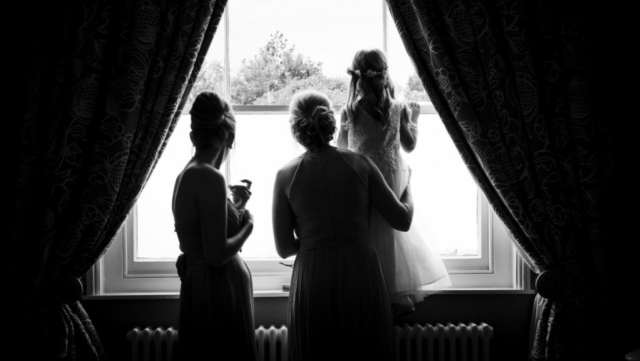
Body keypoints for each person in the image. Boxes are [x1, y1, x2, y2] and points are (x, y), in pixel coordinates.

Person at [272, 90, 414, 361]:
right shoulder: (360, 164)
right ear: (330, 121)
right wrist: (407, 186)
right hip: (360, 270)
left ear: (295, 128)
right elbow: (403, 220)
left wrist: (317, 240)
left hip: (313, 275)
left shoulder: (285, 175)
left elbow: (284, 248)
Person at [337, 48, 451, 318]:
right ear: (384, 74)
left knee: (367, 232)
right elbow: (409, 146)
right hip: (391, 176)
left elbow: (342, 149)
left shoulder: (349, 111)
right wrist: (415, 121)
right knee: (392, 234)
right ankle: (393, 293)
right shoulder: (398, 108)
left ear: (357, 77)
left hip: (362, 178)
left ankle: (370, 291)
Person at [172, 91, 257, 361]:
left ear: (194, 134)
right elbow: (216, 254)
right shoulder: (209, 176)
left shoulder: (187, 174)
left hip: (206, 286)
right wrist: (249, 226)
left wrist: (238, 207)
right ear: (229, 137)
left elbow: (204, 233)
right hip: (217, 291)